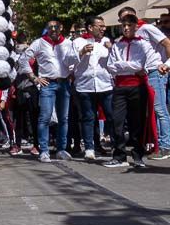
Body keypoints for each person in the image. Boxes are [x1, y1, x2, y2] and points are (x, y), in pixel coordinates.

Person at [104, 12, 152, 169]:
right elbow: (111, 67)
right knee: (117, 122)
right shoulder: (117, 45)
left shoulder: (143, 44)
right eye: (123, 25)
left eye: (129, 25)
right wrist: (127, 66)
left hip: (137, 87)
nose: (126, 28)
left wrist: (122, 65)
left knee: (136, 122)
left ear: (135, 27)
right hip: (120, 87)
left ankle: (138, 156)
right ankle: (119, 155)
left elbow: (139, 65)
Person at [25, 19, 77, 162]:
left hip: (64, 83)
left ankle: (61, 149)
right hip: (48, 84)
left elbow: (73, 60)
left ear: (61, 28)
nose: (53, 30)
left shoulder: (67, 43)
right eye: (50, 28)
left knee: (63, 118)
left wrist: (72, 72)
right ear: (47, 29)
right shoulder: (39, 43)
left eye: (56, 27)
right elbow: (24, 59)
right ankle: (44, 150)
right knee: (45, 117)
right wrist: (34, 78)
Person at [122, 6, 170, 159]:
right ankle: (153, 144)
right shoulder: (129, 35)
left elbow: (167, 43)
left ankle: (166, 146)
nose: (127, 23)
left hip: (155, 72)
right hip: (139, 75)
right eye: (123, 20)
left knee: (160, 110)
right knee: (147, 112)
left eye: (130, 18)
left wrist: (167, 64)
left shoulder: (147, 28)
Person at [72, 17, 113, 161]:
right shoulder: (78, 42)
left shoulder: (106, 41)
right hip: (85, 85)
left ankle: (116, 147)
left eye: (104, 26)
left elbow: (114, 62)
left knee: (111, 116)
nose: (103, 28)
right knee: (88, 117)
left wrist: (112, 49)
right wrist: (81, 52)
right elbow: (68, 61)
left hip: (105, 85)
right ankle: (89, 148)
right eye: (100, 26)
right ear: (90, 27)